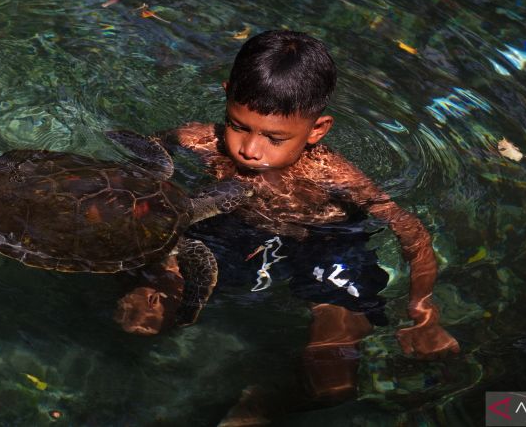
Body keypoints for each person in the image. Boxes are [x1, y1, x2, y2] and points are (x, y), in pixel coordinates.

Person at [113, 30, 460, 414]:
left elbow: (410, 229)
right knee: (144, 314)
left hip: (325, 241)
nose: (249, 149)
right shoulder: (202, 140)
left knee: (332, 371)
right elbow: (150, 151)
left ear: (317, 129)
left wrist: (424, 311)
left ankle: (274, 401)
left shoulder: (333, 176)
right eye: (238, 125)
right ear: (227, 95)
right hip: (232, 227)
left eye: (274, 138)